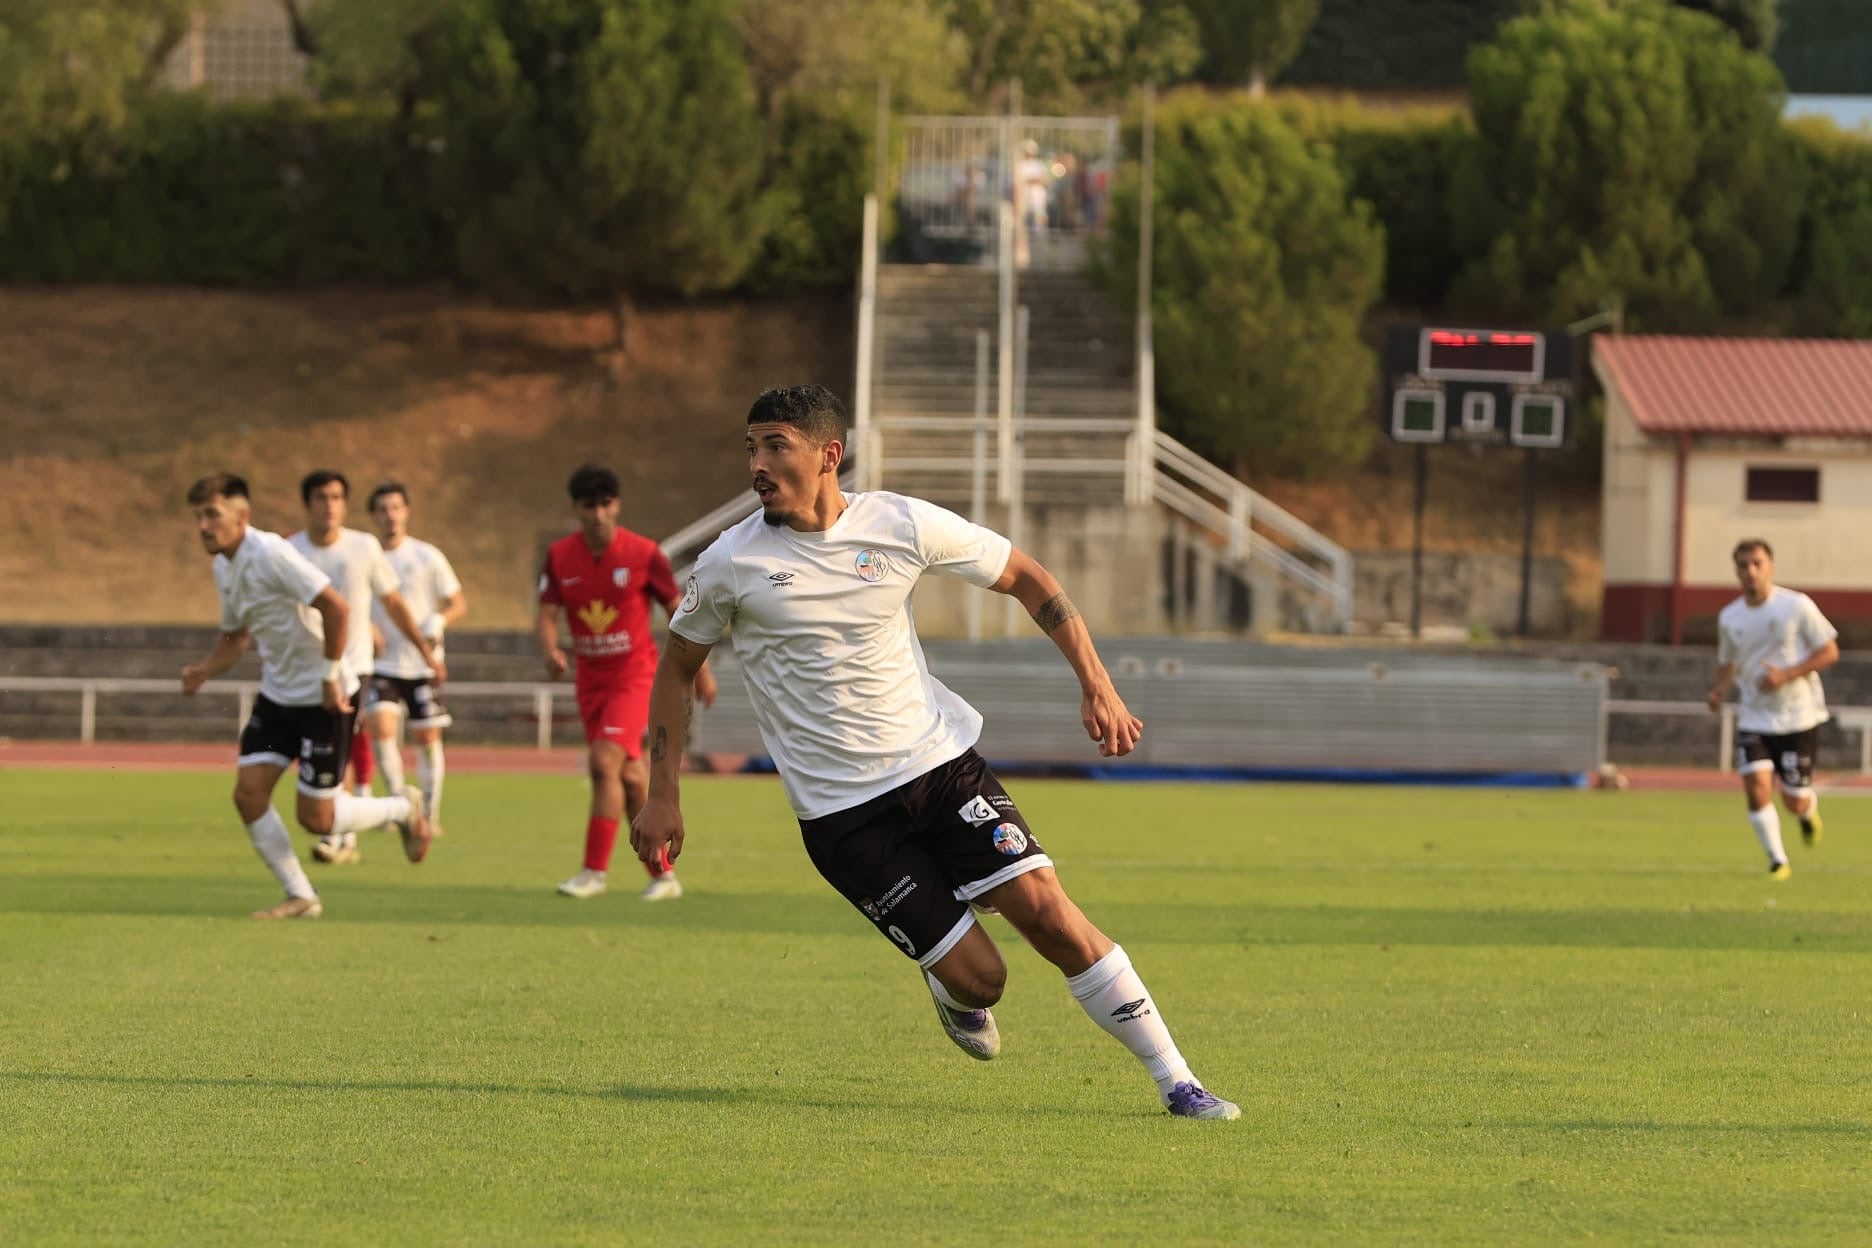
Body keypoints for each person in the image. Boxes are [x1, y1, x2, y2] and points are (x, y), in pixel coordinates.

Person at [630, 386, 1239, 1121]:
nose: (756, 464)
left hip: (941, 770)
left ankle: (1179, 1081)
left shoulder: (900, 522)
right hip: (842, 817)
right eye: (750, 448)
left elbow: (1026, 576)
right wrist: (663, 794)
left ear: (830, 455)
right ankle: (952, 987)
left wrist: (1097, 685)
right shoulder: (732, 562)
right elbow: (675, 670)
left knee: (1050, 913)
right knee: (984, 981)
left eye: (774, 446)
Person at [179, 473, 431, 920]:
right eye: (198, 516)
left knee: (317, 818)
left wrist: (331, 675)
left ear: (242, 517)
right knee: (248, 795)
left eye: (212, 515)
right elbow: (236, 638)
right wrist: (205, 669)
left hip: (323, 695)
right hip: (279, 696)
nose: (202, 526)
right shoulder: (224, 566)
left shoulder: (273, 554)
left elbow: (336, 607)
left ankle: (402, 807)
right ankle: (301, 895)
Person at [538, 463, 718, 901]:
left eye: (605, 504)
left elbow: (683, 610)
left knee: (603, 764)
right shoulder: (560, 556)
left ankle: (592, 873)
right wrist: (550, 650)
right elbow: (546, 612)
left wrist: (701, 671)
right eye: (588, 506)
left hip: (635, 676)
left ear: (616, 505)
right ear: (575, 509)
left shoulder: (643, 553)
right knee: (635, 777)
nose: (598, 513)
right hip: (590, 681)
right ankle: (662, 875)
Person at [289, 470, 447, 865]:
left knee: (341, 755)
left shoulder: (366, 548)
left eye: (337, 497)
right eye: (321, 497)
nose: (329, 505)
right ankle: (392, 809)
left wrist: (427, 652)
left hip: (353, 669)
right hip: (307, 670)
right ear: (306, 504)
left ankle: (343, 838)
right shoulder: (289, 550)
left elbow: (395, 603)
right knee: (328, 760)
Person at [1707, 538, 1841, 879]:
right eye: (1743, 565)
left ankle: (1808, 812)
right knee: (1756, 786)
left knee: (1793, 800)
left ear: (1770, 567)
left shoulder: (1796, 606)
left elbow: (1829, 652)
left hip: (1798, 715)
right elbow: (1728, 661)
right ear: (1736, 570)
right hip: (1754, 715)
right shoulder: (1729, 617)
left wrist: (1787, 674)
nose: (1750, 571)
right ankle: (1778, 860)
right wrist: (1719, 690)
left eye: (1757, 563)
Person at [364, 481, 467, 836]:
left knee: (427, 740)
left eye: (396, 507)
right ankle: (399, 807)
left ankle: (430, 812)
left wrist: (438, 619)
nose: (390, 515)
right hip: (382, 663)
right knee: (382, 730)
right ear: (374, 515)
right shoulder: (368, 557)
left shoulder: (427, 556)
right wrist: (366, 627)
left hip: (423, 665)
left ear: (406, 511)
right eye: (383, 509)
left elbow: (457, 602)